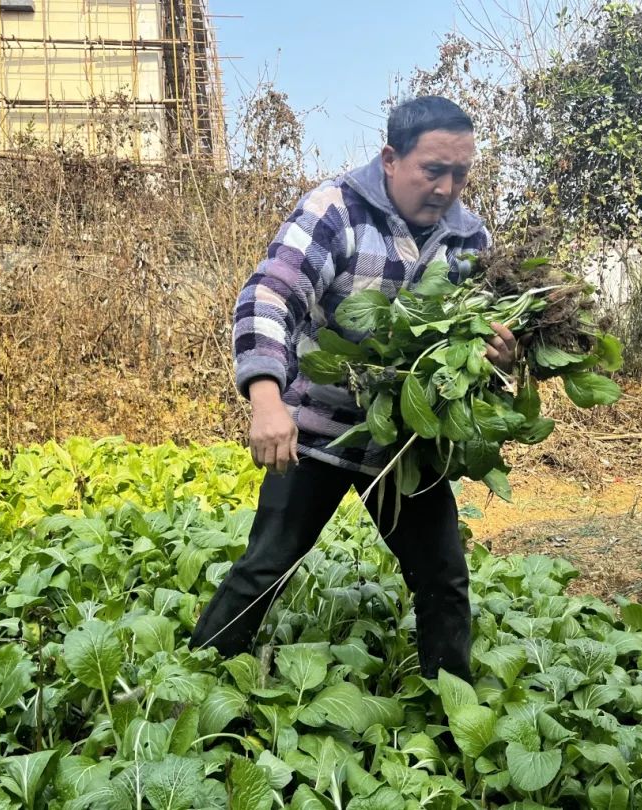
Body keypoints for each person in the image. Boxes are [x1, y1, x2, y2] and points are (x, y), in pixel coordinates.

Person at [191, 96, 517, 680]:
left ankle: (453, 711)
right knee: (268, 564)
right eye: (433, 170)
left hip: (403, 440)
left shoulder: (469, 239)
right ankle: (195, 677)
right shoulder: (335, 209)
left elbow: (474, 345)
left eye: (461, 173)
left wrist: (500, 354)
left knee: (443, 576)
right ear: (391, 158)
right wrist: (266, 398)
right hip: (315, 429)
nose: (448, 187)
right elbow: (271, 295)